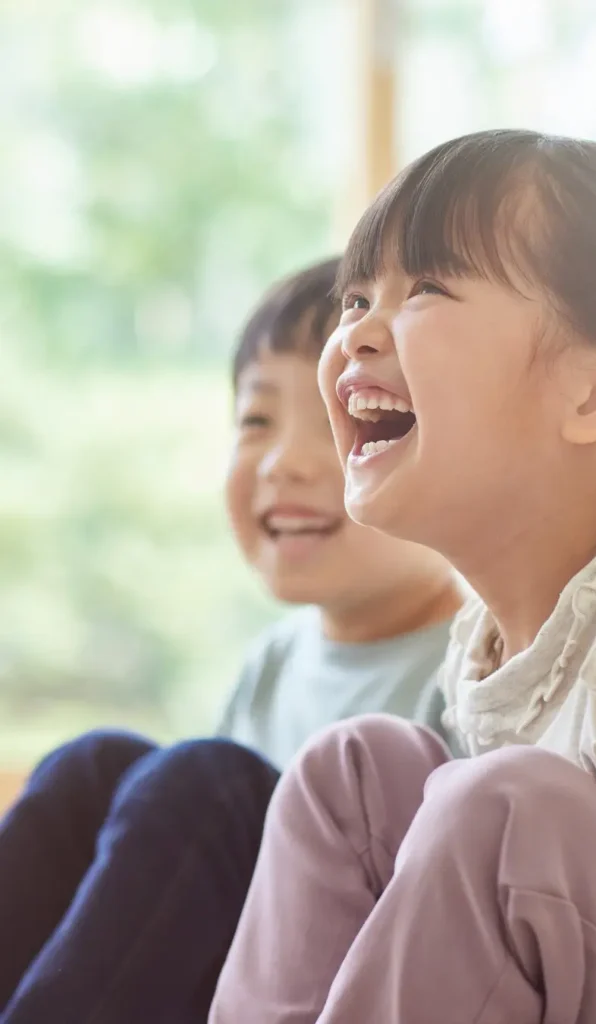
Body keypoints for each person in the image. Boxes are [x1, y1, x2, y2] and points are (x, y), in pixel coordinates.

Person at [209, 130, 596, 1024]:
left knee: (502, 807)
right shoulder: (486, 646)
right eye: (354, 297)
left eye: (423, 289)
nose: (353, 336)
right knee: (356, 768)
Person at [0, 258, 462, 1024]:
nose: (285, 462)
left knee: (203, 780)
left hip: (328, 990)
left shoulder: (475, 665)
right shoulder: (275, 662)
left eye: (352, 418)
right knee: (95, 766)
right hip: (215, 973)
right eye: (257, 421)